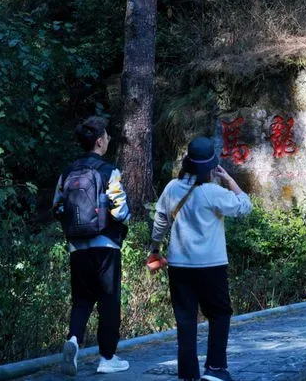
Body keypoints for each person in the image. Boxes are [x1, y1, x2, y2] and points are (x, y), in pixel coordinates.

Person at [148, 137, 252, 381]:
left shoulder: (172, 187)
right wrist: (231, 181)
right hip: (211, 266)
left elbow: (161, 219)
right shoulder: (214, 193)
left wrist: (155, 247)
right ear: (210, 168)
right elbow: (244, 207)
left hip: (179, 265)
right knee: (219, 314)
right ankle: (215, 369)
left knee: (185, 320)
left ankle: (188, 374)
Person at [53, 116, 131, 375]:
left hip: (77, 247)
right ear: (99, 141)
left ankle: (73, 340)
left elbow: (57, 207)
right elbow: (120, 211)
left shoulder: (67, 171)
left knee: (82, 300)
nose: (108, 140)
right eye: (107, 136)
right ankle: (107, 358)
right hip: (106, 245)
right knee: (109, 301)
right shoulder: (108, 170)